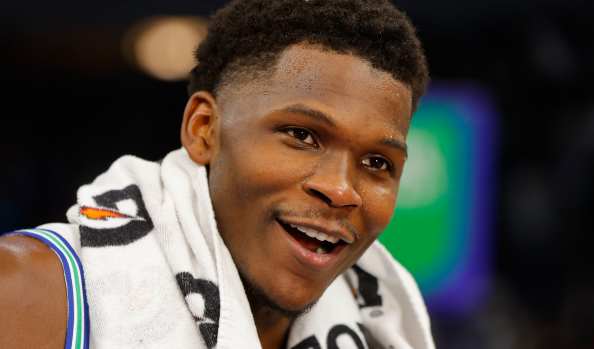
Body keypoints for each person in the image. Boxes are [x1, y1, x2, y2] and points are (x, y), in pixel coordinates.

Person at [0, 0, 433, 348]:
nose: (341, 190)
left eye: (378, 162)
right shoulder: (27, 291)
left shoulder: (384, 331)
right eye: (302, 135)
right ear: (204, 129)